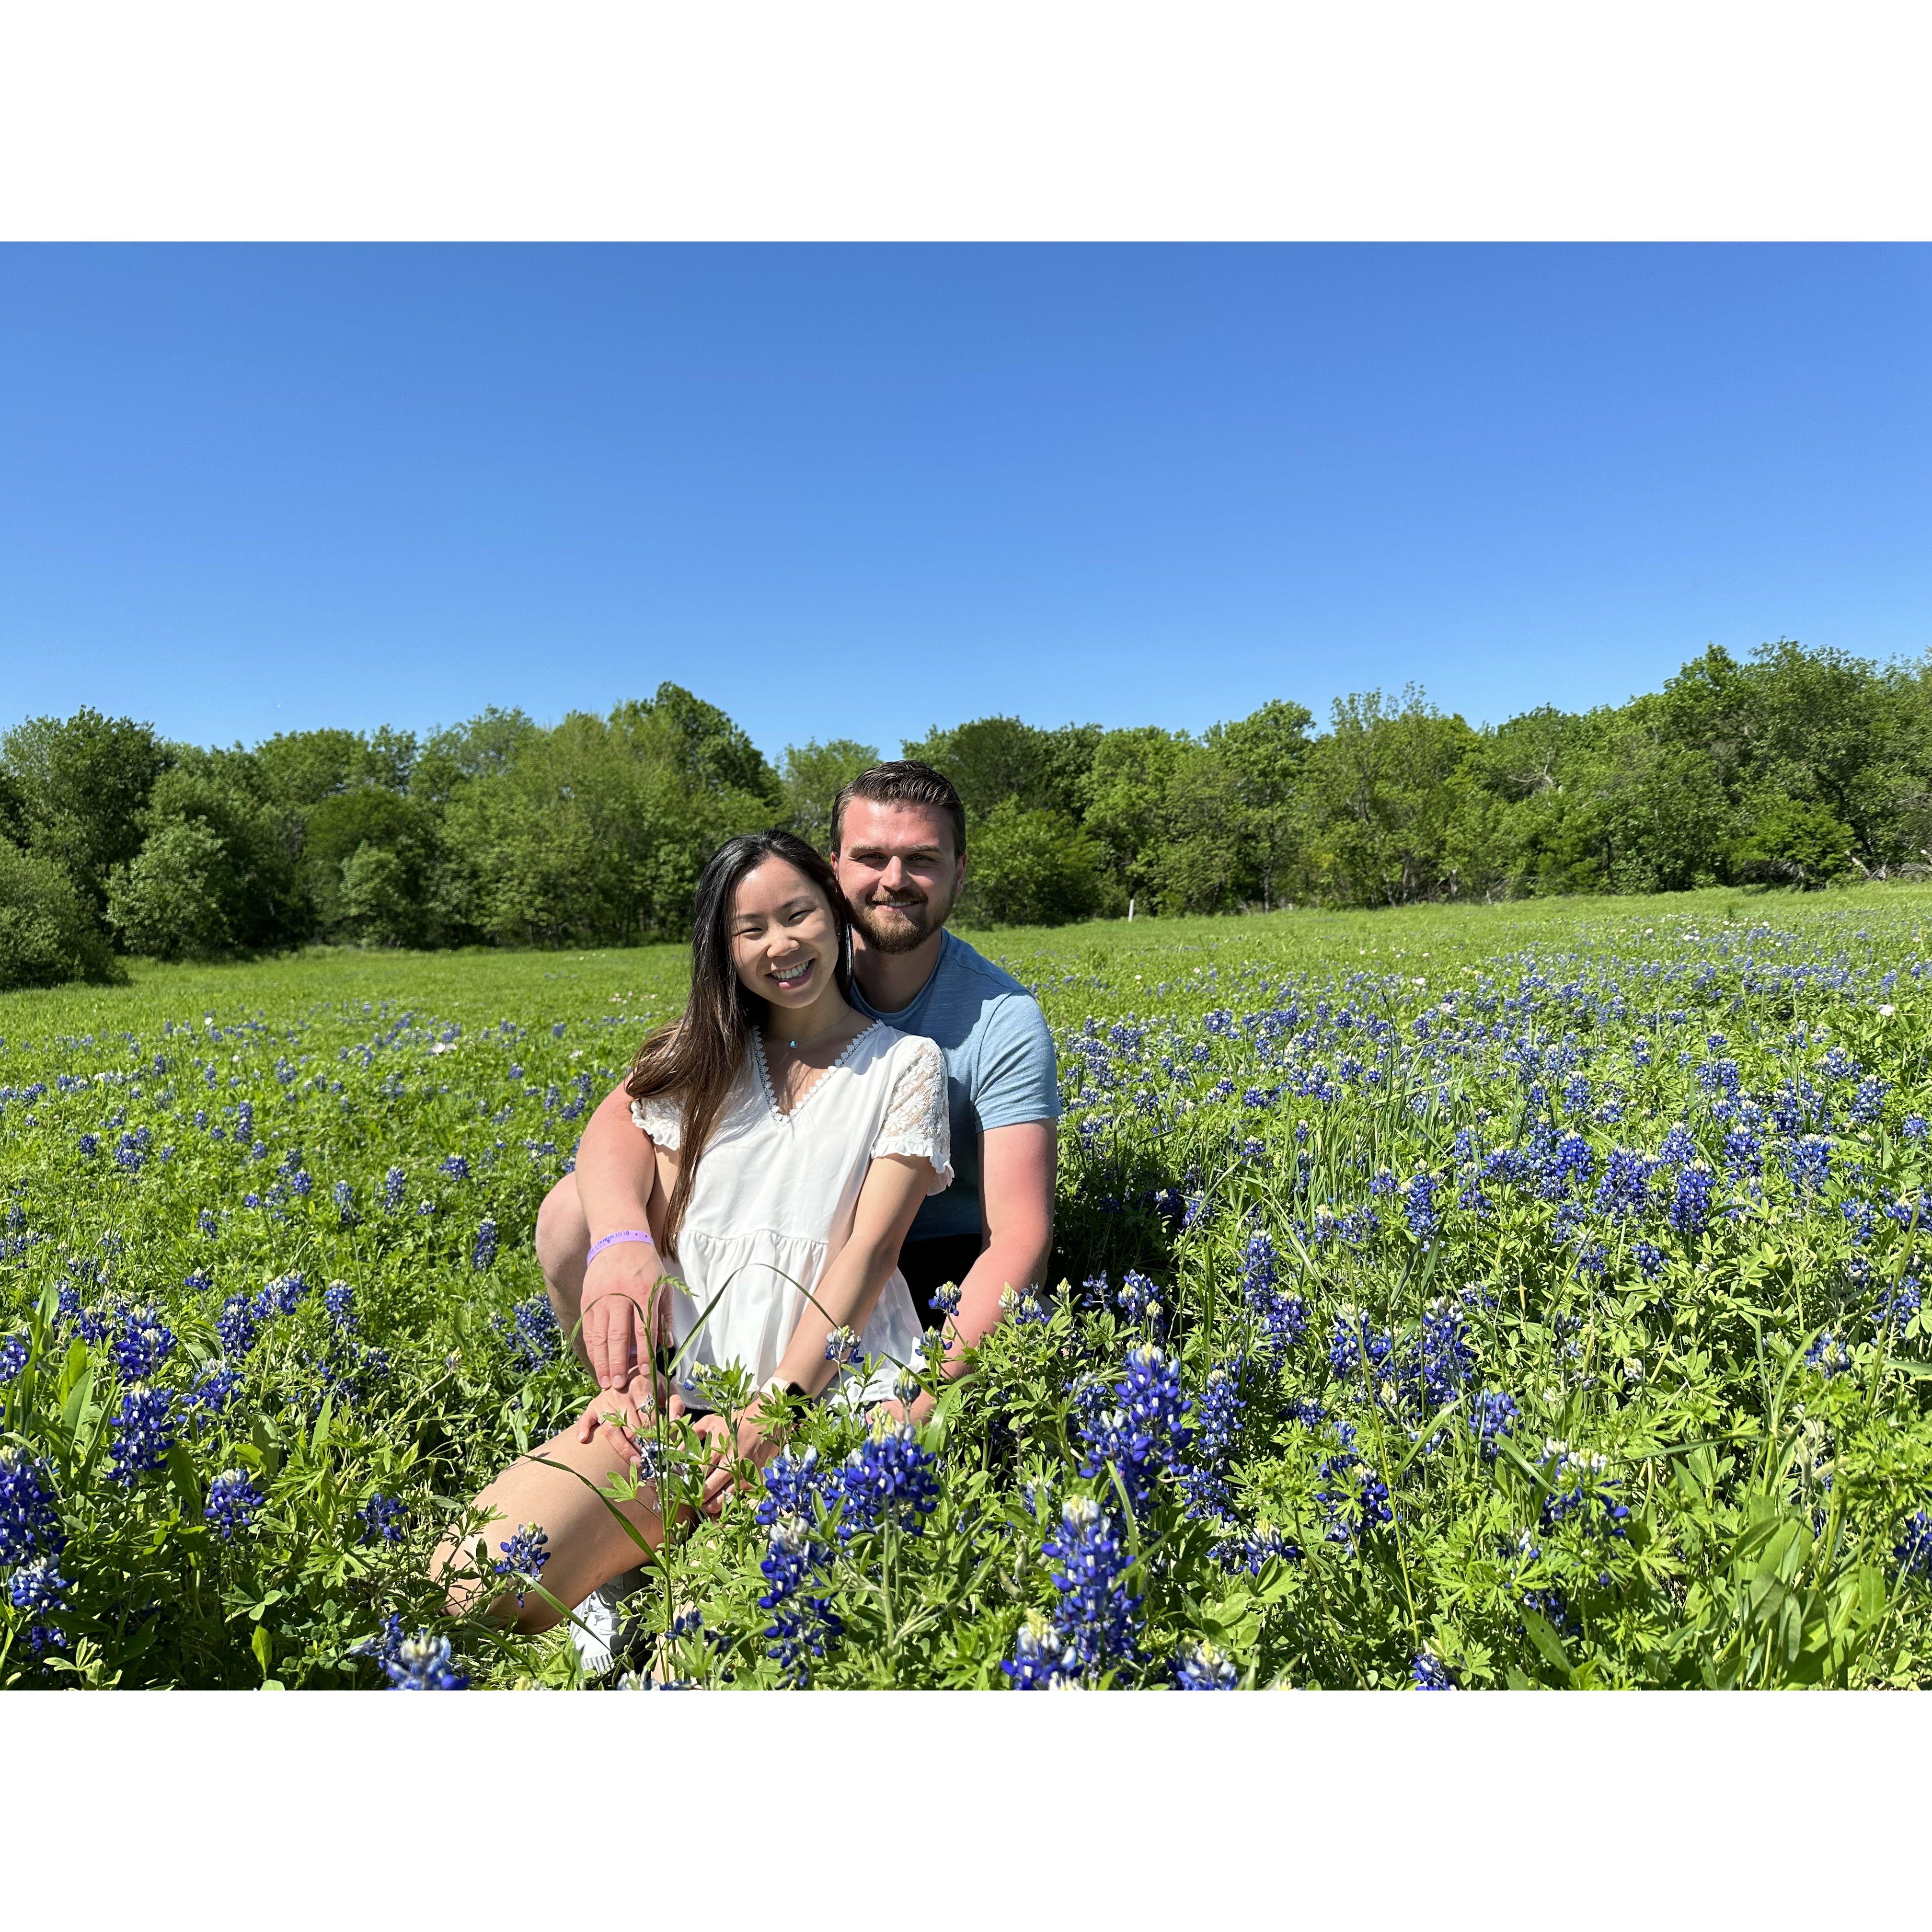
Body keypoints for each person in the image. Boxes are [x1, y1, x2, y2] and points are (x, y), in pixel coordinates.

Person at [432, 828, 952, 1634]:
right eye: (751, 930)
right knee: (469, 1585)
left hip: (830, 1402)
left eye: (798, 914)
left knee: (729, 1645)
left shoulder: (906, 1064)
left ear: (835, 912)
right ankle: (634, 1554)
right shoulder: (702, 1057)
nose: (781, 944)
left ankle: (653, 1579)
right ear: (724, 948)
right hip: (685, 1400)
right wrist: (634, 1348)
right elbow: (606, 1143)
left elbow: (870, 1253)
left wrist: (768, 1421)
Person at [539, 760, 1059, 1430]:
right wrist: (619, 1238)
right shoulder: (786, 958)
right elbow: (624, 1117)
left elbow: (1018, 1238)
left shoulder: (1002, 1018)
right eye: (871, 857)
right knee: (570, 1211)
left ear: (960, 870)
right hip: (780, 1233)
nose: (894, 879)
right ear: (834, 868)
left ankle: (771, 1412)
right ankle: (635, 1391)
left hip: (927, 1263)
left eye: (922, 859)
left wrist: (923, 1402)